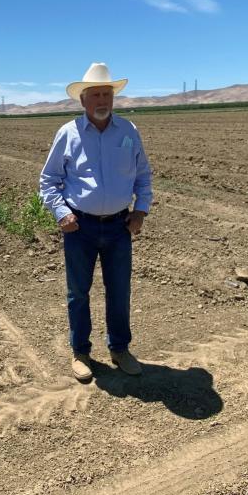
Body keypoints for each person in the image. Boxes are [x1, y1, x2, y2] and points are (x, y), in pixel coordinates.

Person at [39, 62, 153, 381]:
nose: (102, 100)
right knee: (78, 292)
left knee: (119, 291)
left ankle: (119, 348)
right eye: (96, 95)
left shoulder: (128, 131)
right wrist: (62, 213)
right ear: (83, 100)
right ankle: (81, 352)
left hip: (119, 226)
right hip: (80, 228)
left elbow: (143, 175)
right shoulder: (68, 133)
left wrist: (140, 211)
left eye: (107, 94)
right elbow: (49, 180)